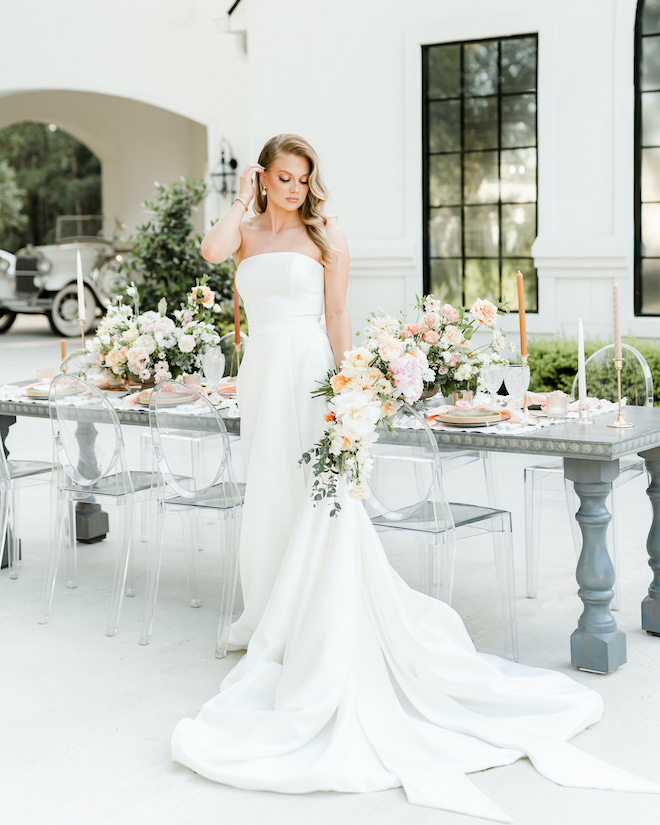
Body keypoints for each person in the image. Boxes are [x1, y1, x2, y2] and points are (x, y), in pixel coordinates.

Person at [171, 134, 659, 821]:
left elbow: (337, 314)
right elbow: (213, 253)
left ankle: (312, 620)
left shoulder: (326, 234)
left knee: (321, 499)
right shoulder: (246, 229)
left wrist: (346, 391)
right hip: (260, 378)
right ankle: (269, 613)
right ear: (264, 176)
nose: (294, 190)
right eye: (283, 178)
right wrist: (239, 194)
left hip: (309, 372)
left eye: (302, 180)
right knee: (270, 495)